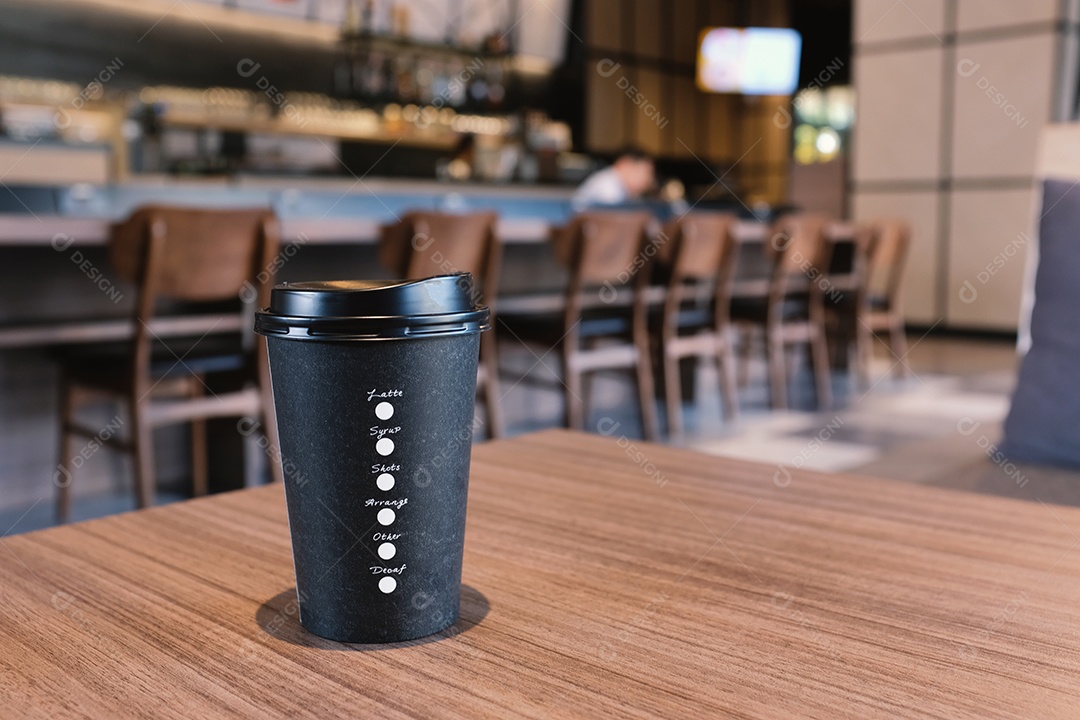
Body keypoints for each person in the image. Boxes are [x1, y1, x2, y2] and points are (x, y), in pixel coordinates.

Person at [572, 147, 655, 209]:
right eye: (645, 173)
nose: (648, 180)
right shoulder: (608, 184)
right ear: (624, 164)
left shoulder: (619, 185)